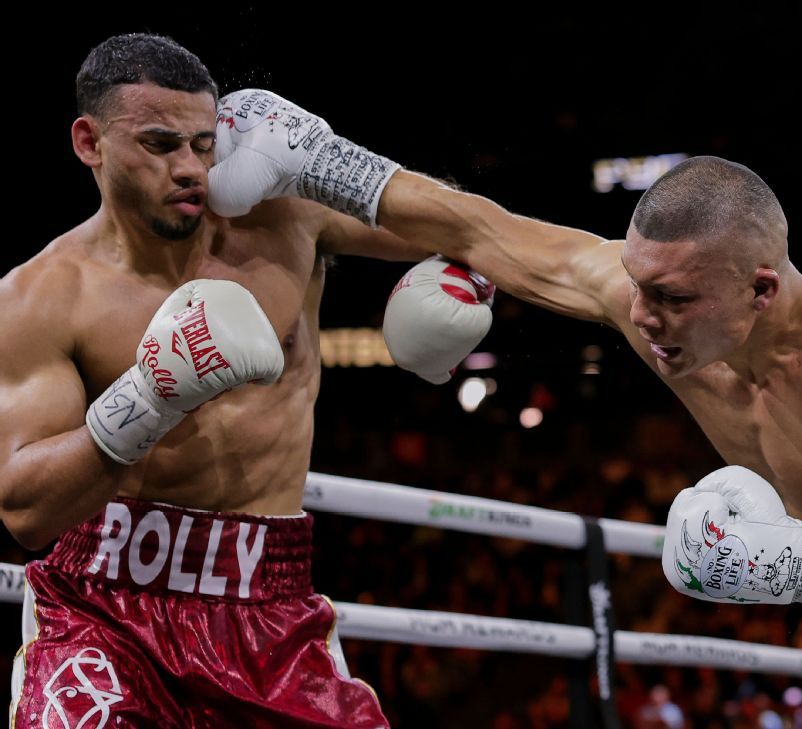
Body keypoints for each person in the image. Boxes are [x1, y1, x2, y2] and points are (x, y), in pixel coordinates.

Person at [209, 87, 802, 726]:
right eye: (638, 287)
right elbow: (482, 227)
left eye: (675, 301)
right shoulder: (650, 300)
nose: (642, 318)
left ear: (761, 289)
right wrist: (320, 159)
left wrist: (783, 563)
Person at [0, 35, 492, 728]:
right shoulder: (39, 296)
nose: (190, 168)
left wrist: (467, 271)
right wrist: (144, 398)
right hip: (104, 607)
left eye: (202, 145)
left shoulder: (287, 216)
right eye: (160, 143)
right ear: (90, 142)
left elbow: (462, 224)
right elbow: (24, 512)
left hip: (269, 601)